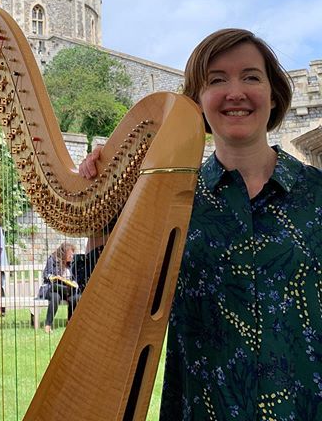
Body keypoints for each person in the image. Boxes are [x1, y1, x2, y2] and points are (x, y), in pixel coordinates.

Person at [79, 28, 322, 420]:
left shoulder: (317, 195)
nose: (235, 91)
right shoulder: (169, 202)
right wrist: (102, 206)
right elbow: (110, 310)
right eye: (217, 80)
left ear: (274, 94)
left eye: (251, 76)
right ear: (197, 103)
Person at [38, 242, 81, 333]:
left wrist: (74, 282)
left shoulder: (72, 263)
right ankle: (48, 325)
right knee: (55, 297)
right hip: (54, 288)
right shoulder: (52, 260)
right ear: (63, 253)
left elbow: (76, 277)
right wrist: (54, 277)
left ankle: (70, 321)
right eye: (70, 254)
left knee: (75, 298)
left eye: (72, 253)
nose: (72, 256)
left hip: (67, 289)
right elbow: (46, 274)